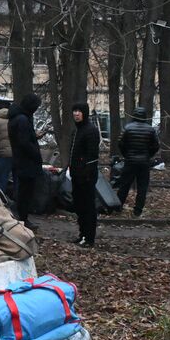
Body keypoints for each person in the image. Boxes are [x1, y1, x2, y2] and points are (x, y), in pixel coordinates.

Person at [68, 102, 102, 247]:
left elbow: (92, 156)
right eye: (74, 111)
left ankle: (89, 238)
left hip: (86, 177)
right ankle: (82, 234)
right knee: (79, 206)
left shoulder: (91, 130)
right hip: (76, 176)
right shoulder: (76, 131)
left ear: (85, 113)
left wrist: (86, 174)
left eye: (79, 111)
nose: (76, 114)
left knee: (88, 207)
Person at [115, 106, 159, 217]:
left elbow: (121, 144)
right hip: (144, 162)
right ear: (144, 116)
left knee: (124, 185)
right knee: (142, 187)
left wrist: (126, 154)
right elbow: (156, 146)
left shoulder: (128, 128)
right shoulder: (151, 130)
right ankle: (138, 210)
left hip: (130, 161)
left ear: (134, 115)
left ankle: (118, 207)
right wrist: (148, 155)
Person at [8, 94, 43, 226]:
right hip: (26, 162)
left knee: (23, 190)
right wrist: (35, 153)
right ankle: (23, 217)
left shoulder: (17, 118)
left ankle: (22, 216)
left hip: (20, 160)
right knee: (25, 192)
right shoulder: (22, 120)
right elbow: (24, 142)